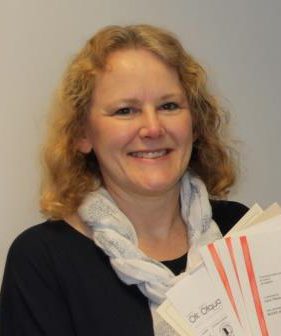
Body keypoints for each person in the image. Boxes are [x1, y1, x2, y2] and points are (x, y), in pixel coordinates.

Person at [0, 24, 248, 335]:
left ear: (195, 123)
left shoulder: (241, 231)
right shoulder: (43, 260)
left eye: (168, 106)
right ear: (82, 134)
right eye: (125, 110)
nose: (152, 128)